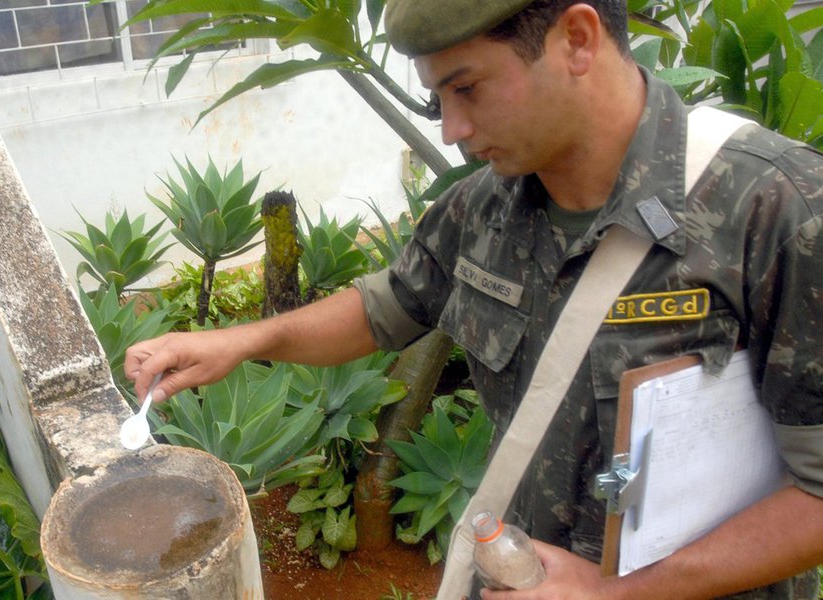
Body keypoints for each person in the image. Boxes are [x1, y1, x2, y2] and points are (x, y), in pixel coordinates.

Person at [124, 0, 823, 597]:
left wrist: (617, 594)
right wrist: (243, 341)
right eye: (438, 101)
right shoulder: (484, 210)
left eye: (467, 89)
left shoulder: (776, 210)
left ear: (576, 39)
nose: (451, 131)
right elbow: (385, 307)